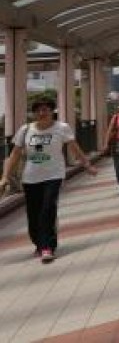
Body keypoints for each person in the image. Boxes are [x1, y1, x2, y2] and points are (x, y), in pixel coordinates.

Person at [0, 97, 97, 263]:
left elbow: (74, 148)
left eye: (45, 110)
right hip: (30, 178)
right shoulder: (25, 130)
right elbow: (15, 155)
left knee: (47, 209)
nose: (41, 113)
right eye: (38, 110)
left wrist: (87, 165)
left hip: (54, 175)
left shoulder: (62, 128)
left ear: (52, 112)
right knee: (33, 214)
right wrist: (5, 177)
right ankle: (39, 242)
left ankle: (47, 247)